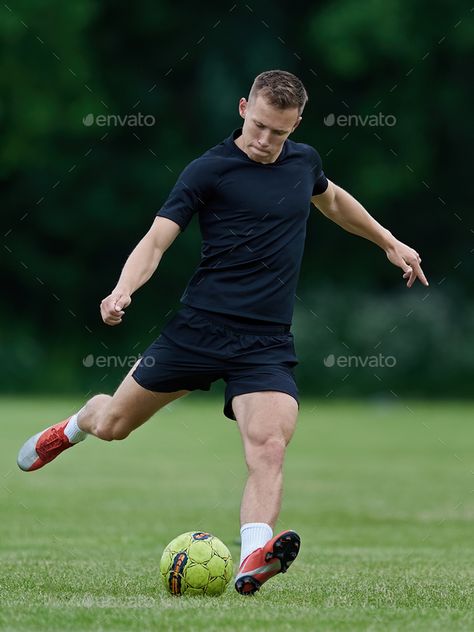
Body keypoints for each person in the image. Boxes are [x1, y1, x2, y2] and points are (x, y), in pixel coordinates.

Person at [17, 70, 428, 595]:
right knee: (115, 424)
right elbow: (156, 241)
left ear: (296, 124)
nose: (264, 141)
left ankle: (255, 554)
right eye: (258, 126)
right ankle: (74, 425)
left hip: (265, 343)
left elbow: (334, 201)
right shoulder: (208, 170)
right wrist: (123, 290)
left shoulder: (304, 162)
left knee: (269, 444)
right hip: (198, 331)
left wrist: (389, 242)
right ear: (242, 108)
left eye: (278, 132)